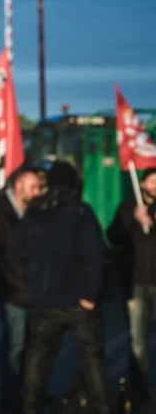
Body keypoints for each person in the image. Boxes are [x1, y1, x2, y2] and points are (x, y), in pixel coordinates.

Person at [15, 162, 110, 414]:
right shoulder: (80, 211)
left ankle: (29, 407)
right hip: (81, 302)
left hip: (44, 301)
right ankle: (103, 407)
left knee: (38, 360)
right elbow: (95, 255)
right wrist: (90, 294)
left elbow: (20, 253)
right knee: (93, 360)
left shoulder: (34, 211)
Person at [0, 167, 41, 411]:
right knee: (15, 347)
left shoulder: (36, 213)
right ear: (19, 187)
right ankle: (10, 397)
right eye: (33, 187)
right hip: (13, 294)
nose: (39, 192)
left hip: (36, 293)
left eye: (39, 187)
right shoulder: (2, 217)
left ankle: (29, 394)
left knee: (32, 347)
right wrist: (9, 278)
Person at [107, 166, 156, 400]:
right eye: (151, 181)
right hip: (136, 283)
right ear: (142, 184)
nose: (155, 186)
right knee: (138, 339)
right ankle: (141, 383)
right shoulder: (128, 207)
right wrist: (133, 218)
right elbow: (112, 236)